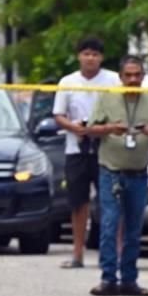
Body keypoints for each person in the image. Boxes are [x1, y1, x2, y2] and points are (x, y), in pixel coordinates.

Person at [87, 55, 148, 296]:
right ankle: (108, 278)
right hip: (110, 171)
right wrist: (110, 128)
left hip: (139, 174)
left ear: (143, 77)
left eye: (137, 75)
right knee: (110, 225)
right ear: (121, 77)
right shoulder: (107, 97)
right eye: (128, 75)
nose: (133, 80)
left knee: (134, 228)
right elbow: (90, 129)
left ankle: (130, 280)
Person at [52, 37, 120, 269]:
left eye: (95, 54)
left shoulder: (113, 80)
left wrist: (102, 128)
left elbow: (121, 110)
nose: (90, 58)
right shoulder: (68, 82)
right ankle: (77, 253)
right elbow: (58, 115)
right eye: (86, 53)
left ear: (101, 57)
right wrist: (74, 127)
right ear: (79, 56)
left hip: (107, 147)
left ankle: (114, 254)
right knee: (78, 202)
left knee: (111, 201)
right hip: (77, 148)